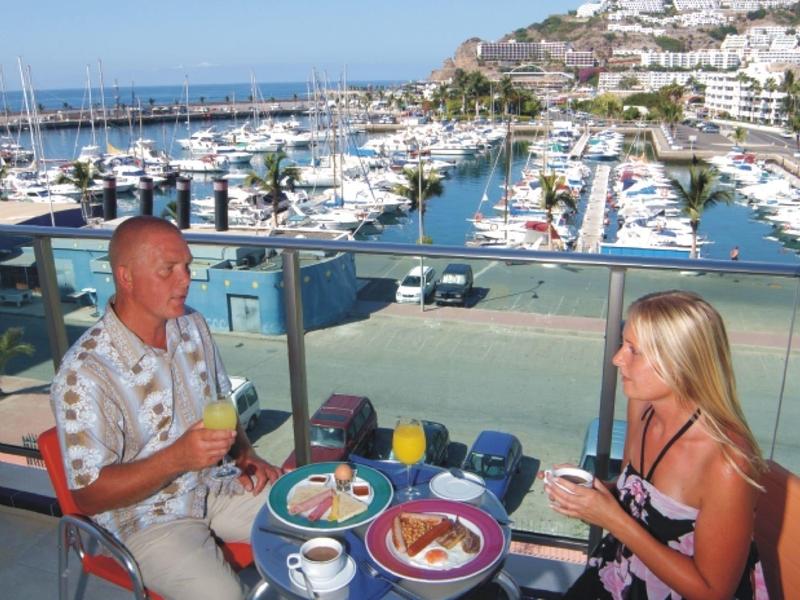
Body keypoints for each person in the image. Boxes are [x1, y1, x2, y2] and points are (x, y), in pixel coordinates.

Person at [50, 216, 283, 600]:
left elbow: (220, 400)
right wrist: (177, 458)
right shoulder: (84, 374)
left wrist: (245, 454)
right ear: (126, 277)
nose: (185, 279)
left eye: (187, 266)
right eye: (168, 269)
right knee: (224, 595)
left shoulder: (192, 325)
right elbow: (88, 497)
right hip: (144, 518)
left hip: (215, 484)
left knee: (308, 511)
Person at [544, 291, 769, 599]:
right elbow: (635, 498)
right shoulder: (643, 408)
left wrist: (612, 519)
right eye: (623, 344)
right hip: (620, 571)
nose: (617, 359)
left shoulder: (727, 462)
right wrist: (589, 495)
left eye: (633, 350)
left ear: (681, 361)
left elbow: (712, 592)